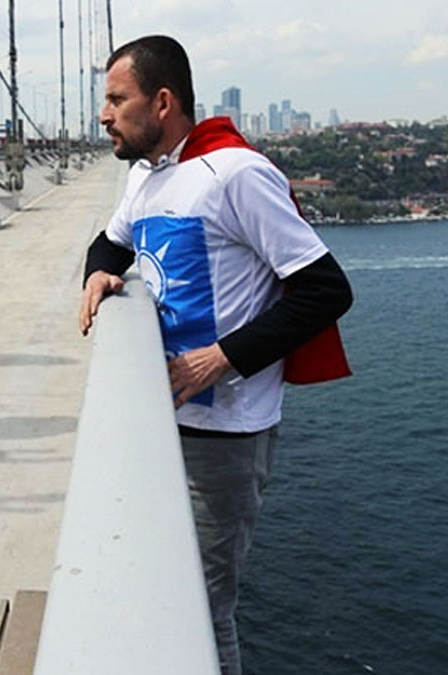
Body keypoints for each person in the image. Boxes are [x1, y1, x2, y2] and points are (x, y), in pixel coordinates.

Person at [79, 36, 352, 675]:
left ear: (163, 101)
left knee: (201, 612)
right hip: (164, 418)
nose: (104, 114)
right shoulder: (146, 176)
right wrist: (98, 274)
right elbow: (110, 242)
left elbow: (326, 288)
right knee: (157, 588)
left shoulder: (235, 173)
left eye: (117, 99)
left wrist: (219, 359)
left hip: (224, 432)